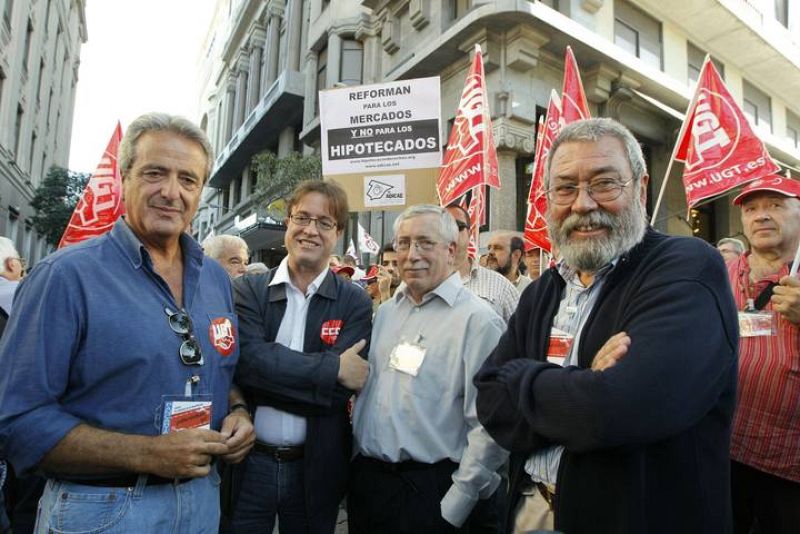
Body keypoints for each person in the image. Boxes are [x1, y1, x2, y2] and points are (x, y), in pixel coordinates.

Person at [474, 118, 738, 533]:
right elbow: (489, 399)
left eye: (604, 183)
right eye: (565, 188)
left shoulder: (688, 268)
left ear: (641, 186)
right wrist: (583, 384)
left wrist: (523, 377)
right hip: (531, 513)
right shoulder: (543, 289)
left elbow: (618, 410)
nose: (582, 203)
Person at [0, 112, 255, 533]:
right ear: (125, 178)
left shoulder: (216, 279)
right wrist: (145, 453)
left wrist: (239, 411)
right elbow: (17, 419)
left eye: (188, 180)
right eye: (155, 173)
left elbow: (218, 370)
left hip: (200, 500)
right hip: (100, 509)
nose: (171, 192)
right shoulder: (65, 277)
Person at [350, 204, 508, 533]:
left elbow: (491, 426)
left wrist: (457, 502)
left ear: (452, 250)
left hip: (432, 493)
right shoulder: (388, 312)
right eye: (403, 243)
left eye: (425, 242)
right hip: (372, 488)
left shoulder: (478, 322)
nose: (411, 254)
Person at [230, 180, 372, 533]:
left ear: (337, 232)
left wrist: (266, 375)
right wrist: (332, 369)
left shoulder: (354, 302)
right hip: (248, 463)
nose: (311, 230)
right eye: (302, 218)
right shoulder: (247, 290)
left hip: (316, 469)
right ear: (288, 223)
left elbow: (340, 392)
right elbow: (244, 362)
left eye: (324, 222)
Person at [726, 175, 800, 533]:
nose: (761, 216)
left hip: (789, 465)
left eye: (775, 205)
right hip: (723, 452)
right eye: (751, 208)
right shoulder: (717, 274)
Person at [445, 205, 519, 322]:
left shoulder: (501, 287)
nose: (451, 233)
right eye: (443, 227)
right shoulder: (422, 287)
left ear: (470, 234)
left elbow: (524, 333)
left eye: (457, 226)